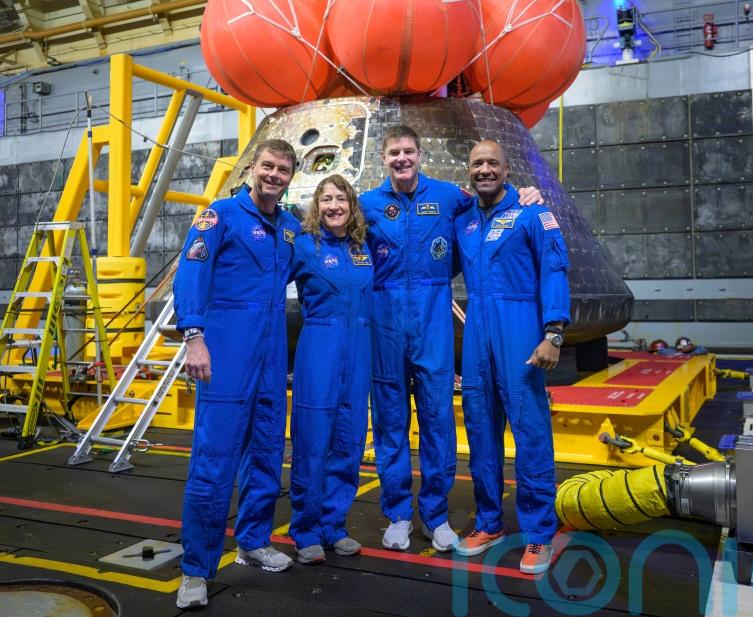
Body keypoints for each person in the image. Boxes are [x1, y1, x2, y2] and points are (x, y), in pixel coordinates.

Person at [359, 125, 542, 553]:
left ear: (420, 155)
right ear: (383, 159)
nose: (401, 159)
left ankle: (436, 516)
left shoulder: (449, 198)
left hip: (433, 320)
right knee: (389, 423)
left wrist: (528, 193)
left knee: (438, 422)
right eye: (393, 153)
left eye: (408, 151)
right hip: (384, 320)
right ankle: (399, 514)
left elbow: (492, 199)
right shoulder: (366, 205)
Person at [173, 140, 300, 609]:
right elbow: (191, 272)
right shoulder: (219, 215)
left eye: (283, 169)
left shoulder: (289, 228)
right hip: (225, 348)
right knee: (214, 461)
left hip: (270, 354)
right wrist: (194, 335)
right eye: (267, 166)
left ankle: (253, 541)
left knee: (266, 452)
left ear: (290, 177)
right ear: (252, 168)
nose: (274, 175)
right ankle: (195, 569)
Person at [453, 139, 570, 575]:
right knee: (480, 432)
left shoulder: (533, 213)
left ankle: (539, 534)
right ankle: (489, 523)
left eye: (492, 163)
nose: (484, 170)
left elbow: (555, 269)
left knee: (530, 432)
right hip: (478, 329)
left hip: (521, 328)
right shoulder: (463, 219)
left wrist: (553, 332)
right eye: (477, 163)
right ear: (470, 170)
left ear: (506, 169)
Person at [288, 174, 372, 565]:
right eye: (326, 199)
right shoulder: (303, 245)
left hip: (359, 348)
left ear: (352, 205)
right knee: (312, 439)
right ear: (316, 206)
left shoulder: (363, 246)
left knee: (349, 438)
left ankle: (334, 525)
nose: (334, 206)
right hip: (319, 346)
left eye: (341, 198)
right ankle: (305, 529)